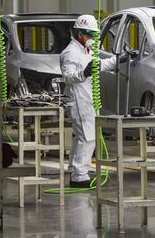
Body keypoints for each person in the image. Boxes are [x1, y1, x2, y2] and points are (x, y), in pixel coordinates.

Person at [60, 15, 117, 188]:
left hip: (86, 98)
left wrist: (117, 59)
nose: (92, 38)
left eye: (93, 35)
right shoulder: (70, 52)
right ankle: (79, 177)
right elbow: (68, 76)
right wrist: (83, 73)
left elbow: (98, 65)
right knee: (87, 137)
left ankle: (78, 169)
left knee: (82, 138)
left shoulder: (86, 50)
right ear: (79, 34)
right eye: (89, 35)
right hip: (78, 99)